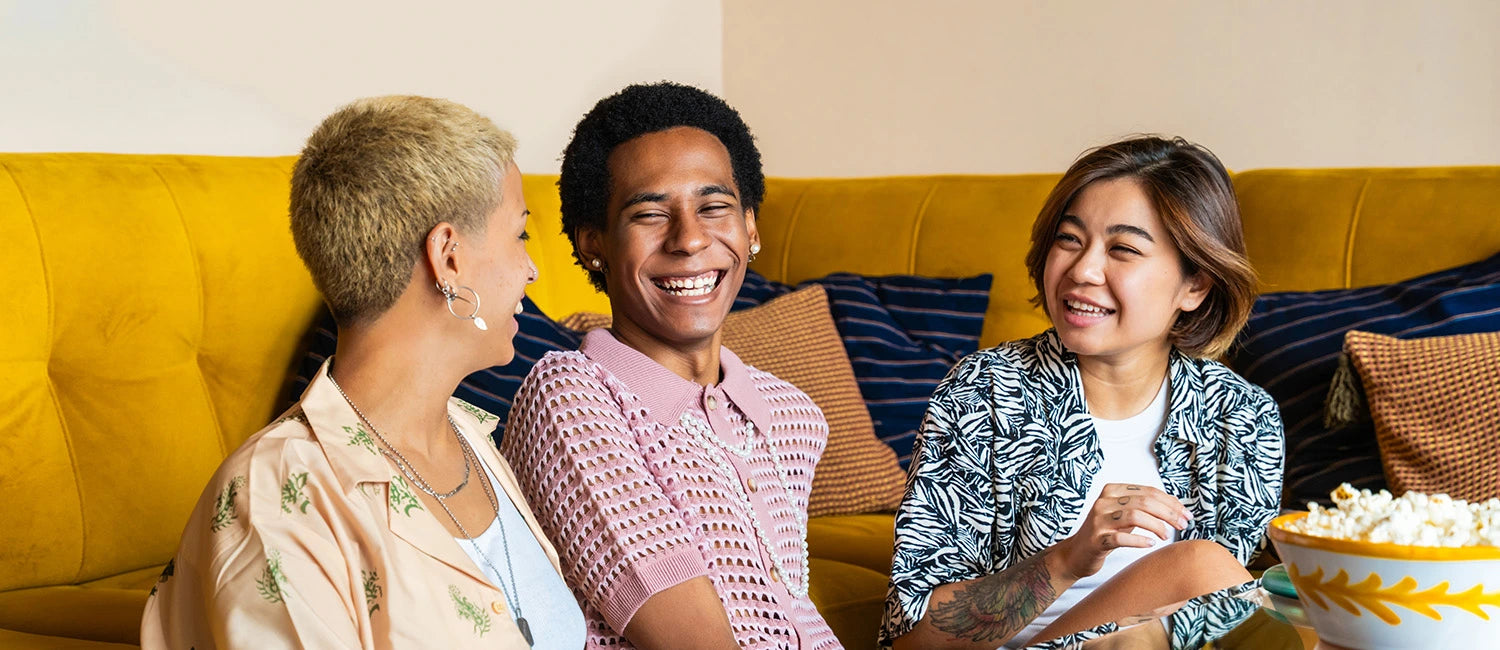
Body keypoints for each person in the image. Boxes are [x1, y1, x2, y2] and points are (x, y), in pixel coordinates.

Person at [141, 96, 585, 649]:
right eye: (520, 235)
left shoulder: (473, 437)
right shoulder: (277, 503)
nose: (531, 268)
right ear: (449, 258)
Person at [882, 136, 1284, 650]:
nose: (1082, 271)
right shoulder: (984, 393)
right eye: (1069, 239)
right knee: (1203, 566)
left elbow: (1214, 622)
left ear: (1195, 286)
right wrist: (1068, 558)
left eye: (1122, 249)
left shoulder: (1243, 417)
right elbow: (914, 640)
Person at [500, 82, 842, 649]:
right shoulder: (567, 397)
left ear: (750, 227)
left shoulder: (792, 415)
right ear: (593, 245)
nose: (689, 239)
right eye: (650, 214)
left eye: (714, 207)